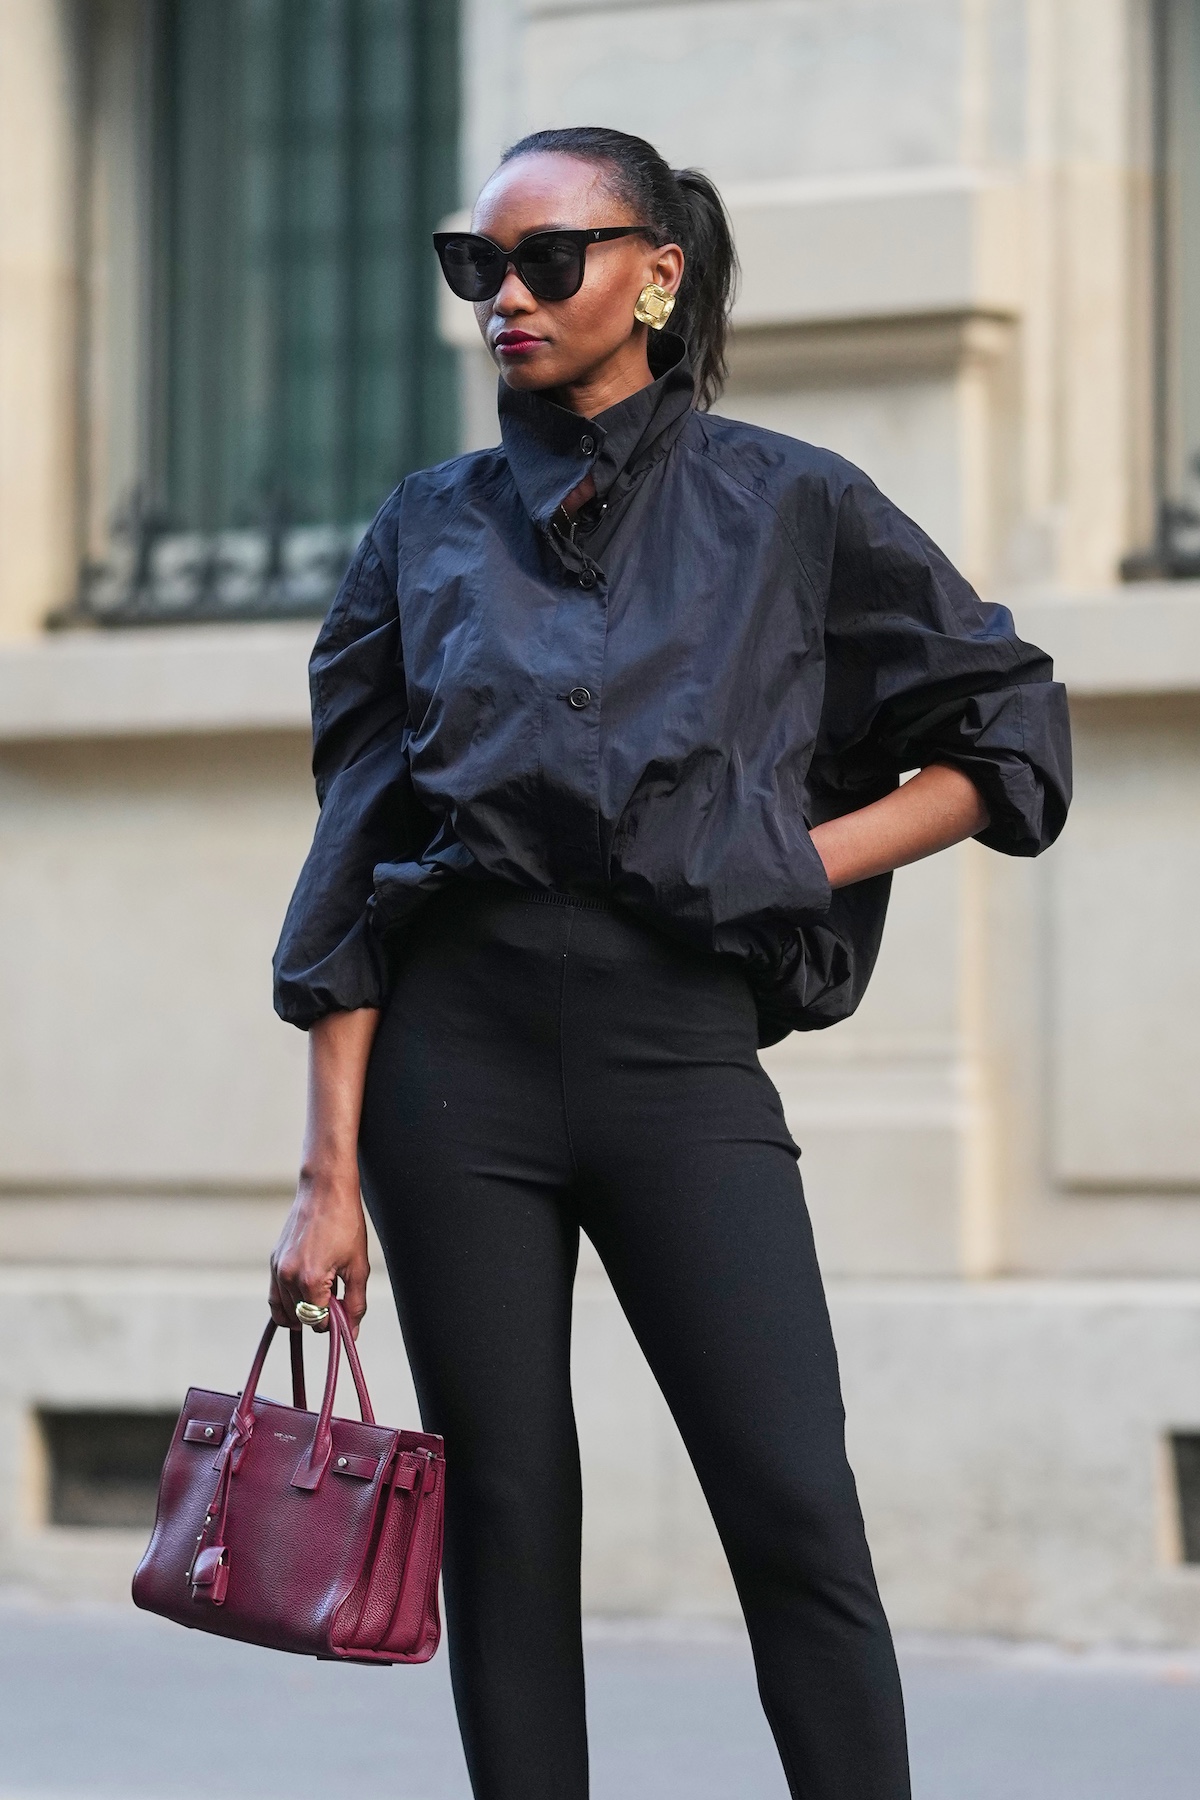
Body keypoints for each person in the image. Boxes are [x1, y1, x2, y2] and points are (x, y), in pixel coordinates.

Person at [268, 126, 1071, 1800]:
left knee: (792, 1502)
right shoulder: (423, 530)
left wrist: (792, 857)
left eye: (545, 260)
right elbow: (353, 862)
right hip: (452, 1065)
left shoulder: (790, 505)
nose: (505, 296)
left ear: (656, 272)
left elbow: (1005, 737)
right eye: (473, 265)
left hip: (678, 1054)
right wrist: (326, 1174)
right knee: (503, 1508)